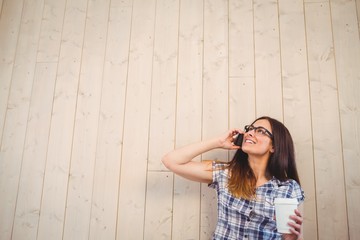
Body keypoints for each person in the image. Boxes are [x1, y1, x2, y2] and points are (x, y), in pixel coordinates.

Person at [162, 116, 305, 240]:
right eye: (250, 128)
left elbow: (294, 233)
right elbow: (171, 161)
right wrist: (218, 142)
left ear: (273, 146)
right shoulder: (225, 174)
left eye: (260, 131)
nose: (249, 133)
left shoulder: (289, 188)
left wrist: (292, 239)